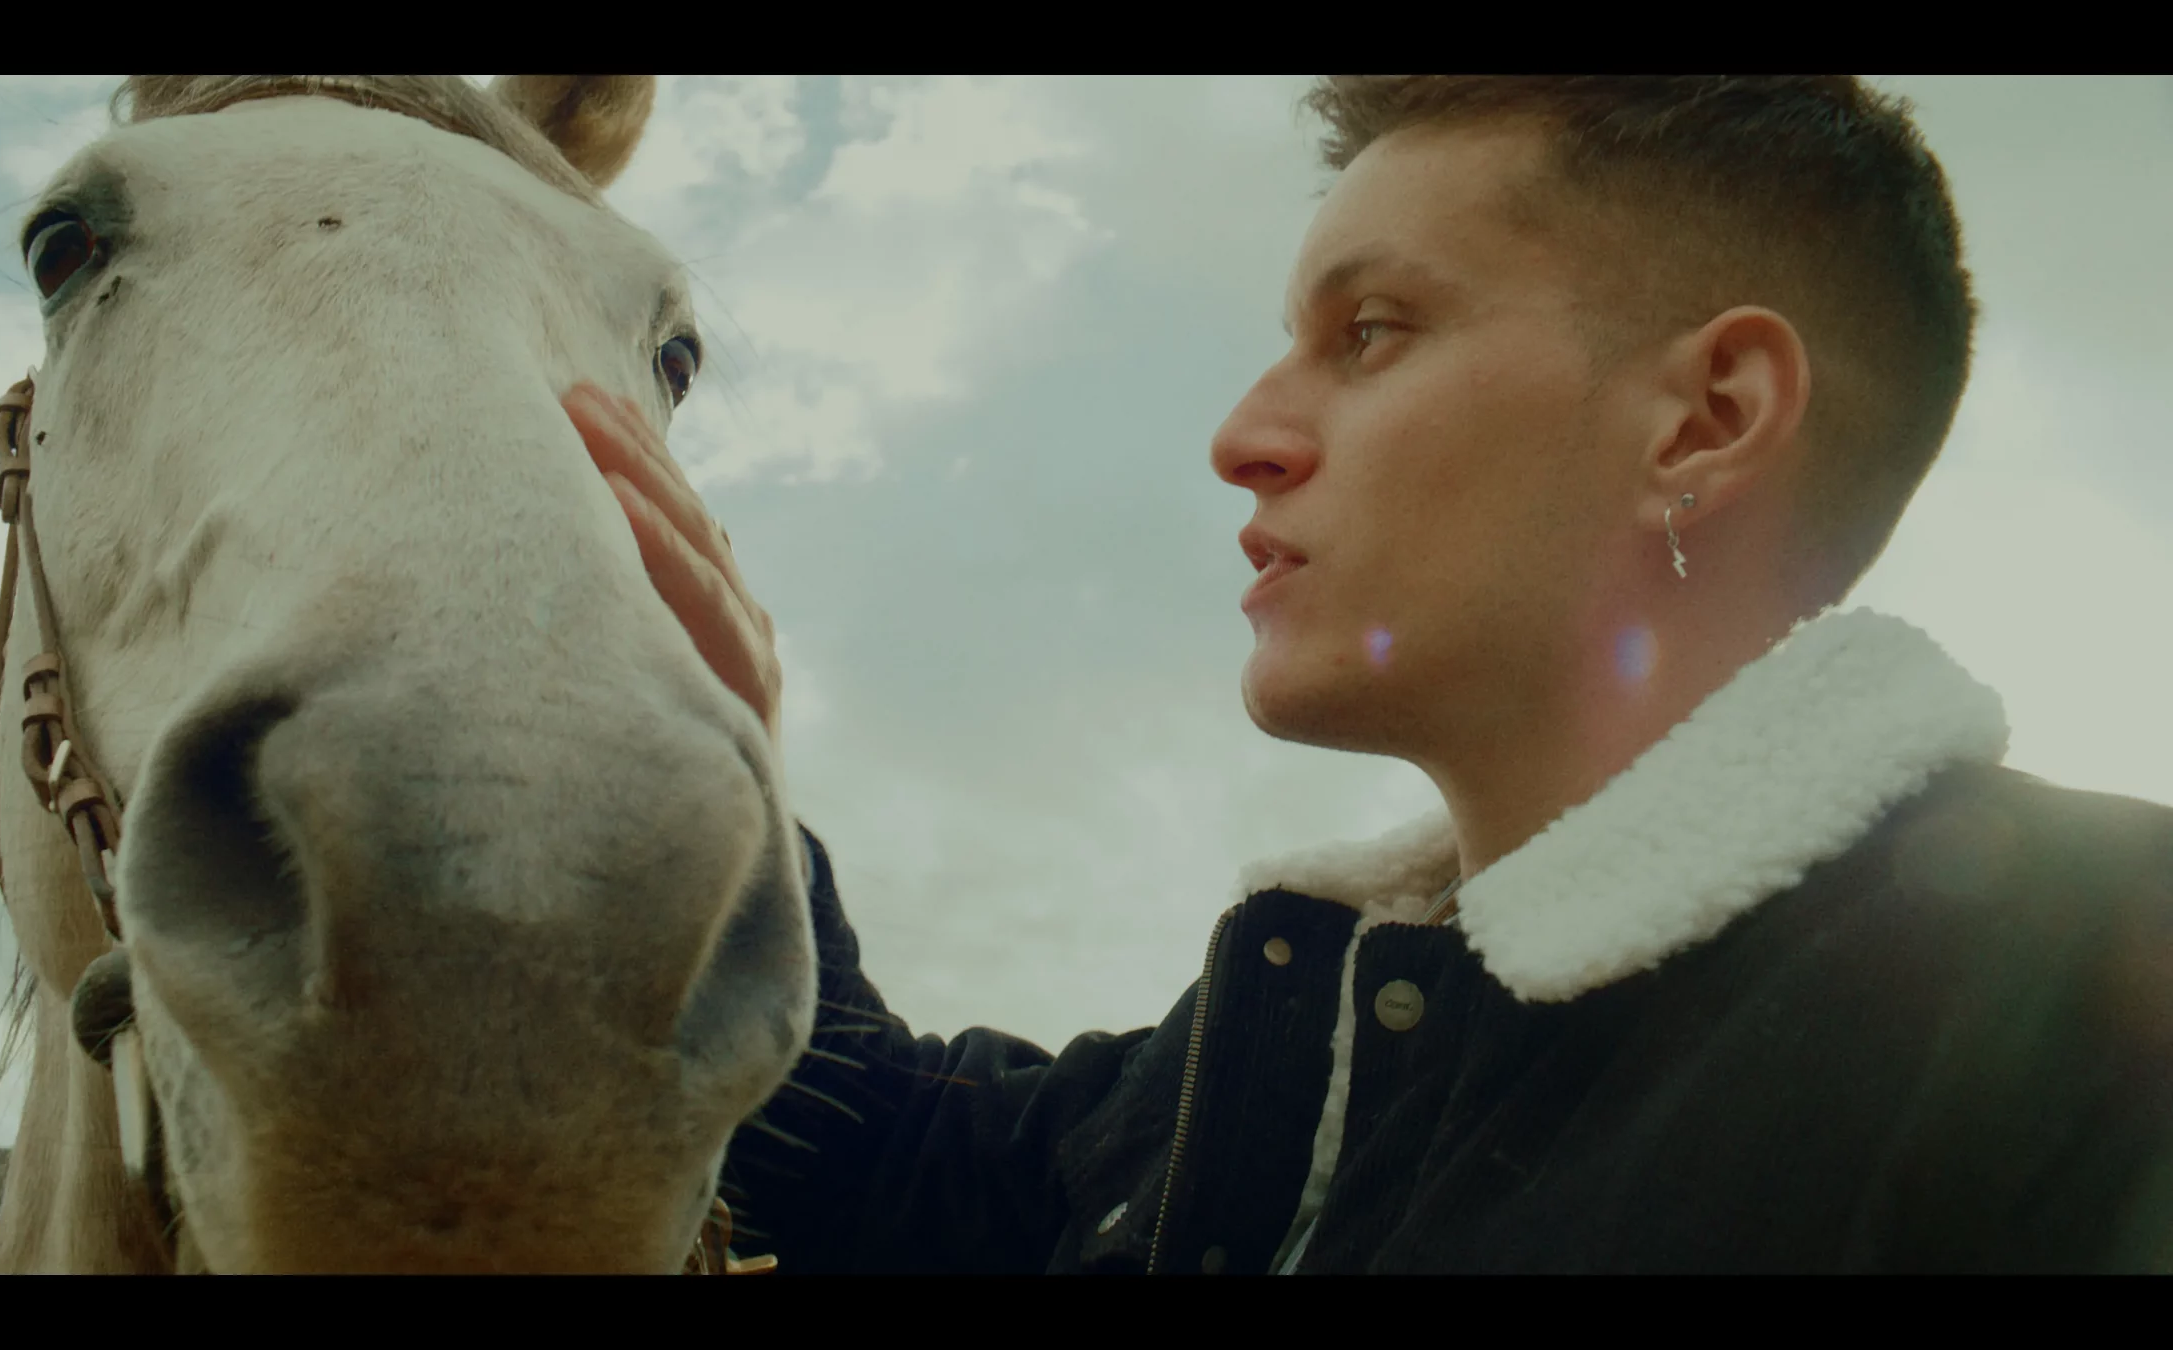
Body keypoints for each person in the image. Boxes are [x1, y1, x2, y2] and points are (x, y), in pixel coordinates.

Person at [564, 75, 2173, 1274]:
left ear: (1707, 420)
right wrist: (713, 745)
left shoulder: (2102, 1004)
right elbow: (881, 1157)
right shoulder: (1250, 1055)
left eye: (1373, 331)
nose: (1242, 436)